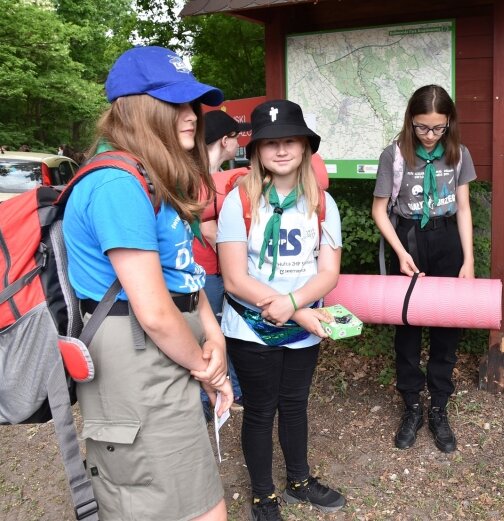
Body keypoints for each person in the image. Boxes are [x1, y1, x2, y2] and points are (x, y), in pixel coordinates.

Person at [62, 45, 233, 520]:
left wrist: (212, 330)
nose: (191, 116)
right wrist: (209, 369)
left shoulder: (153, 176)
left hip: (165, 357)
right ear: (137, 108)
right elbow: (155, 312)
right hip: (140, 365)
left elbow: (180, 273)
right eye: (174, 104)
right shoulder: (117, 184)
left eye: (191, 104)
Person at [217, 99, 345, 521]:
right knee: (259, 409)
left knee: (295, 404)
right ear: (255, 152)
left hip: (303, 320)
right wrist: (297, 312)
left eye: (291, 140)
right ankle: (262, 495)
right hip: (250, 327)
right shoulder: (239, 202)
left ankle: (299, 481)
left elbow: (327, 271)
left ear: (306, 147)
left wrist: (293, 306)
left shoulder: (324, 204)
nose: (282, 150)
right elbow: (234, 278)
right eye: (270, 143)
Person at [371, 84, 476, 454]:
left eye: (438, 128)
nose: (430, 136)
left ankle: (439, 407)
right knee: (408, 330)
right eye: (422, 128)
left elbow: (463, 208)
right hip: (409, 238)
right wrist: (400, 252)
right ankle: (412, 405)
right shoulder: (395, 156)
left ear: (449, 124)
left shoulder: (458, 153)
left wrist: (469, 259)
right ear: (410, 122)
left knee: (448, 327)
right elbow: (379, 210)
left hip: (447, 239)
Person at [196, 109, 252, 416]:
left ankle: (228, 391)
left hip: (214, 271)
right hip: (204, 272)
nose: (238, 144)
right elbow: (206, 229)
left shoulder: (206, 174)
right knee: (212, 332)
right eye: (236, 138)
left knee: (219, 330)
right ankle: (214, 398)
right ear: (224, 140)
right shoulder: (203, 179)